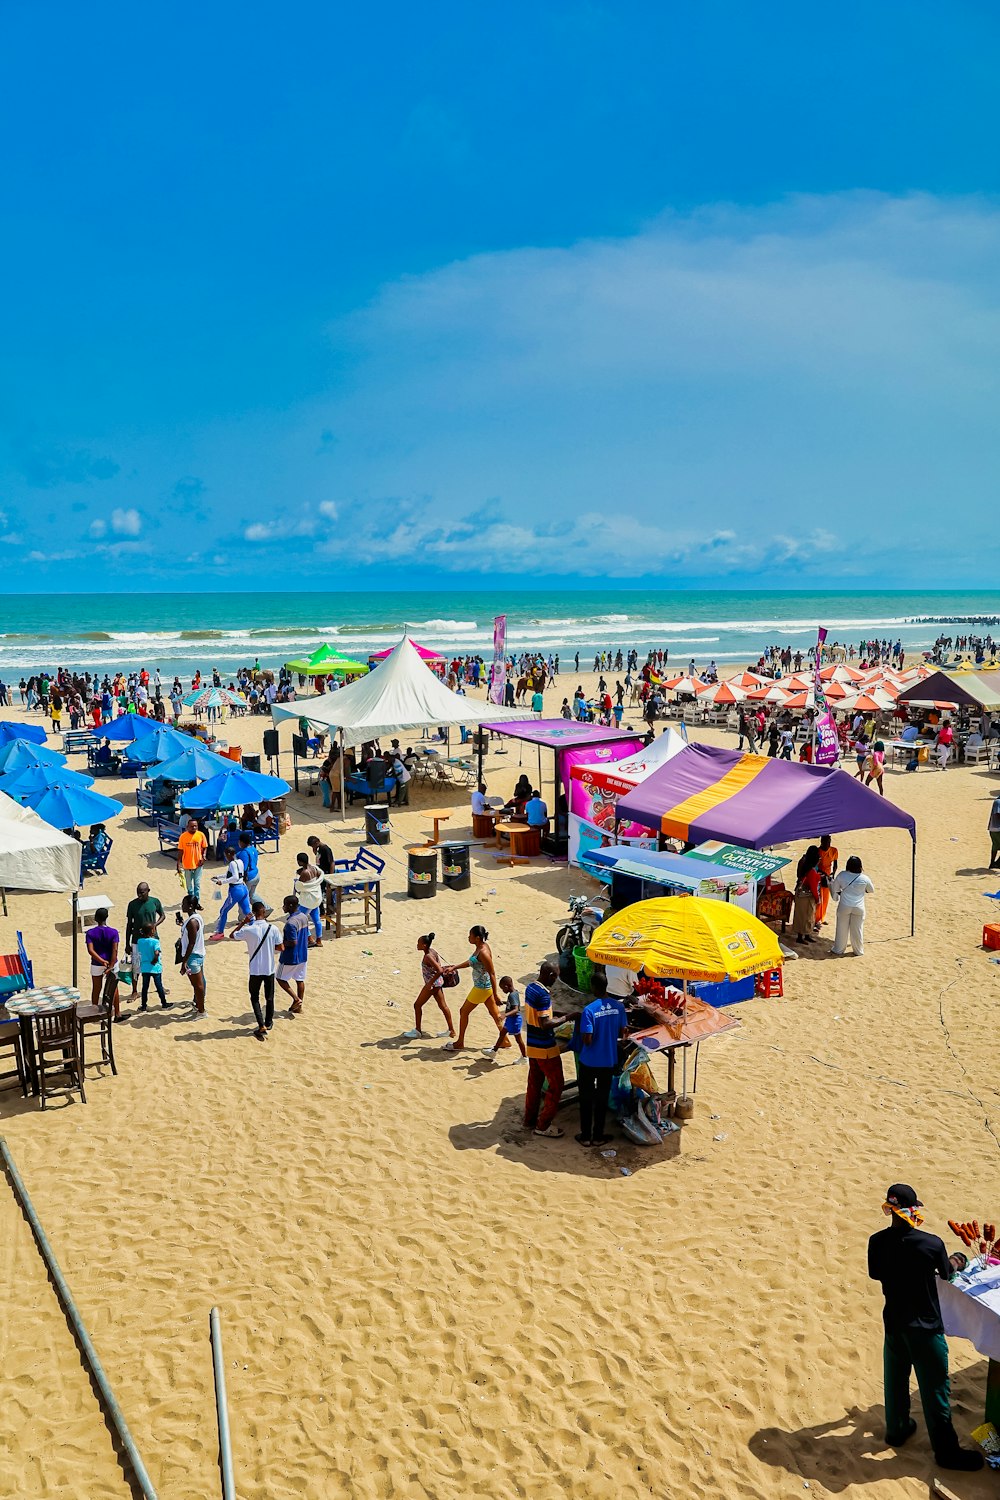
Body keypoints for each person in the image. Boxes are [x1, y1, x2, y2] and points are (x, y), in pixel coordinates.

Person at [868, 1184, 983, 1470]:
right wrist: (957, 1259)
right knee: (935, 1391)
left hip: (894, 1323)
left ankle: (896, 1430)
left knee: (895, 1381)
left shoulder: (877, 1241)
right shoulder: (931, 1244)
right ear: (912, 1211)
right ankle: (947, 1453)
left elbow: (875, 1272)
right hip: (925, 1328)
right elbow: (946, 1272)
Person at [576, 971, 627, 1147]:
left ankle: (585, 1136)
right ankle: (598, 1136)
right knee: (602, 1099)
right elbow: (622, 1032)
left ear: (593, 987)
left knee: (586, 1098)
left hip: (589, 1062)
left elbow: (587, 1040)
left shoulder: (589, 1010)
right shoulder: (619, 1008)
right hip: (608, 1061)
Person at [444, 926, 505, 1052]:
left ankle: (460, 1042)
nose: (468, 937)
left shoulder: (483, 952)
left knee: (463, 1012)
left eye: (470, 935)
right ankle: (505, 1040)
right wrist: (455, 967)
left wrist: (496, 994)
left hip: (481, 988)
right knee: (495, 1015)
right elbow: (471, 962)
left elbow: (492, 973)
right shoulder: (480, 947)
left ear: (477, 938)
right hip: (485, 987)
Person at [523, 961, 565, 1138]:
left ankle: (529, 1119)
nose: (556, 980)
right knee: (556, 1085)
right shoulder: (543, 995)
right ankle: (543, 1124)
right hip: (545, 1048)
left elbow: (540, 1014)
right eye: (555, 977)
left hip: (532, 1045)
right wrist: (567, 1017)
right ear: (550, 976)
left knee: (534, 1083)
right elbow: (546, 1023)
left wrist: (558, 1014)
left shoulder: (531, 988)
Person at [232, 901, 280, 1039]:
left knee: (254, 998)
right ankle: (269, 1022)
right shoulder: (273, 928)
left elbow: (232, 935)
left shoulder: (249, 929)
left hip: (255, 969)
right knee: (269, 997)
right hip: (269, 968)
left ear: (252, 913)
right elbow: (280, 947)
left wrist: (243, 922)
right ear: (264, 912)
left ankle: (261, 1024)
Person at [404, 933, 456, 1040]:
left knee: (417, 1005)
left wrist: (429, 983)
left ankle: (418, 1031)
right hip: (438, 983)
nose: (417, 944)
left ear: (424, 945)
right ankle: (451, 1030)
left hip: (432, 985)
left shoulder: (428, 956)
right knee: (443, 1006)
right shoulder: (433, 951)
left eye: (419, 943)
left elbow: (439, 970)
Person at [831, 855, 875, 957]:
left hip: (844, 906)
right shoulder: (864, 878)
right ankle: (858, 950)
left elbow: (836, 889)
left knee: (841, 929)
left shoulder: (842, 875)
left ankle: (838, 949)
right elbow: (871, 890)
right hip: (858, 907)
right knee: (857, 929)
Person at [276, 895, 310, 1014]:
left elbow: (292, 941)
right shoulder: (304, 917)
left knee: (280, 978)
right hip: (303, 955)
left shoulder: (291, 923)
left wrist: (278, 943)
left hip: (290, 957)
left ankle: (296, 999)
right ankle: (299, 1007)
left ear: (290, 906)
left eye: (284, 905)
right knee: (300, 980)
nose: (283, 907)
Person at [85, 907, 120, 1018]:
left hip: (96, 964)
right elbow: (115, 950)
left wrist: (101, 961)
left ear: (96, 918)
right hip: (112, 963)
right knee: (114, 989)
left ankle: (94, 1012)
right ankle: (117, 1013)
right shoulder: (113, 932)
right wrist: (110, 965)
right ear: (107, 917)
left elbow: (91, 950)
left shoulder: (90, 933)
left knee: (96, 988)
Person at [209, 850, 252, 939]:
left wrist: (222, 882)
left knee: (223, 911)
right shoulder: (240, 861)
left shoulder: (232, 863)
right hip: (243, 888)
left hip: (236, 890)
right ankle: (256, 927)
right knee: (247, 911)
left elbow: (235, 877)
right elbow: (231, 874)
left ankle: (220, 932)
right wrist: (218, 877)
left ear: (229, 854)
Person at [483, 975, 526, 1062]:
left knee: (518, 1039)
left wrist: (504, 1015)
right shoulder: (514, 992)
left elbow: (516, 1009)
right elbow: (513, 1004)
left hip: (514, 1020)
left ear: (506, 986)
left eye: (503, 989)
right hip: (511, 1019)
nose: (503, 990)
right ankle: (494, 1051)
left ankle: (524, 1057)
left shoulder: (512, 995)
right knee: (502, 1033)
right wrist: (504, 1002)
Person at [177, 894, 206, 1014]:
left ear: (190, 906)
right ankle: (199, 1006)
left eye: (184, 903)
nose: (182, 905)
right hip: (197, 954)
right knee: (200, 983)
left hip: (192, 957)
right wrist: (182, 924)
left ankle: (201, 1011)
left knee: (197, 985)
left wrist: (184, 962)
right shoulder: (195, 918)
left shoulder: (192, 922)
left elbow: (191, 943)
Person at [124, 881, 165, 960]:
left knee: (153, 963)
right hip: (137, 940)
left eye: (142, 893)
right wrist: (127, 944)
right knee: (136, 967)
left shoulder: (155, 902)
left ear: (148, 891)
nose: (139, 895)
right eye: (138, 893)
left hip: (152, 938)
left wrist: (155, 925)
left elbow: (162, 915)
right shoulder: (132, 904)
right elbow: (129, 925)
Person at [293, 851, 325, 947]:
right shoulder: (314, 868)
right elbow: (318, 876)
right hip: (316, 899)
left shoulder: (304, 873)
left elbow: (299, 887)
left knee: (301, 919)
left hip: (307, 901)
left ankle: (310, 939)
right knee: (316, 920)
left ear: (300, 862)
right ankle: (319, 940)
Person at [135, 923, 169, 1010]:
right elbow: (157, 952)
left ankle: (143, 1005)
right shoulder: (155, 941)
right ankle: (164, 1003)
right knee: (159, 986)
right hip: (155, 967)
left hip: (145, 967)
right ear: (152, 931)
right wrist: (155, 959)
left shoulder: (140, 941)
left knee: (145, 987)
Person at [792, 846, 821, 943]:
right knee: (807, 916)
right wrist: (817, 898)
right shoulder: (811, 870)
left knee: (801, 915)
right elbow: (813, 887)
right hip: (807, 896)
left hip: (801, 894)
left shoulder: (804, 862)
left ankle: (803, 936)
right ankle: (804, 936)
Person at [175, 817, 208, 900]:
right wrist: (178, 864)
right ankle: (191, 900)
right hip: (187, 864)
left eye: (195, 826)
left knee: (197, 884)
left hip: (198, 864)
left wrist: (203, 856)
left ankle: (197, 902)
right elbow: (180, 851)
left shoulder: (201, 835)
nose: (194, 828)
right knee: (189, 886)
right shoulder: (183, 836)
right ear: (187, 827)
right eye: (192, 826)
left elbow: (204, 847)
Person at [815, 835, 839, 928]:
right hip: (819, 876)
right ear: (821, 842)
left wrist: (833, 873)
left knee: (825, 898)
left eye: (829, 842)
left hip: (828, 877)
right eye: (825, 842)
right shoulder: (818, 851)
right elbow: (816, 867)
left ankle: (822, 917)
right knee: (819, 899)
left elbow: (835, 864)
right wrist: (823, 874)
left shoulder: (834, 850)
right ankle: (817, 919)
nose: (827, 844)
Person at [237, 831, 261, 902]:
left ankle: (242, 913)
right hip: (256, 875)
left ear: (242, 842)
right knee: (252, 896)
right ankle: (265, 908)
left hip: (249, 878)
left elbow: (243, 868)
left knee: (243, 898)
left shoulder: (244, 853)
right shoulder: (253, 849)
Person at [988, 793, 1000, 869]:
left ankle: (993, 864)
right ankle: (997, 863)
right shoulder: (998, 802)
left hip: (993, 828)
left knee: (995, 846)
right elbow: (998, 814)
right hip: (997, 828)